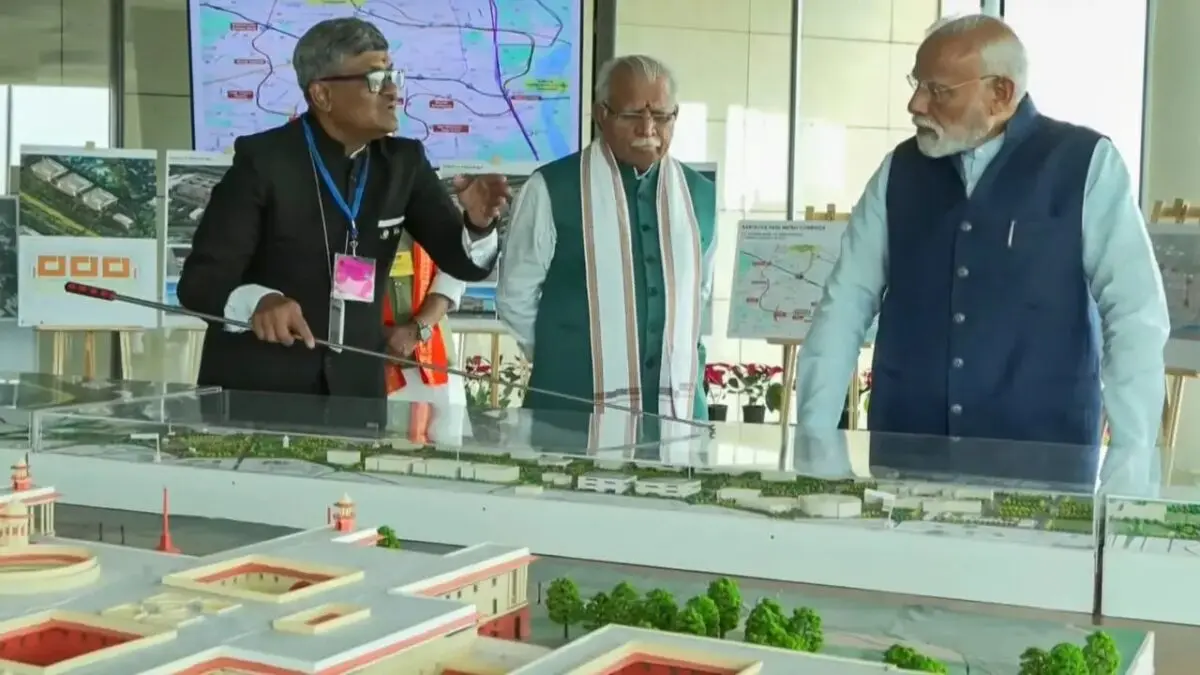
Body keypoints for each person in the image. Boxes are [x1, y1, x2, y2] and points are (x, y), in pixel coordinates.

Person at [794, 15, 1169, 458]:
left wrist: (1132, 457)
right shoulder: (898, 171)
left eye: (938, 90)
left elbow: (1134, 314)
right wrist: (814, 438)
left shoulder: (1086, 164)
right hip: (907, 452)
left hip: (1044, 458)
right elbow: (844, 303)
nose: (915, 103)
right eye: (917, 84)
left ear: (1000, 93)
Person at [176, 18, 511, 416]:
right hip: (258, 394)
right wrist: (260, 301)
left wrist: (478, 224)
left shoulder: (403, 164)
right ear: (322, 94)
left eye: (393, 75)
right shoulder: (263, 163)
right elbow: (200, 284)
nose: (393, 91)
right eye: (375, 79)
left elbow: (463, 264)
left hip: (357, 395)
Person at [496, 55, 717, 442]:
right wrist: (564, 353)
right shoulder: (550, 188)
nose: (648, 128)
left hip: (677, 418)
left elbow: (700, 295)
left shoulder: (700, 196)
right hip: (569, 411)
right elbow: (515, 295)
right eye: (632, 115)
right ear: (602, 114)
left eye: (661, 116)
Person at [381, 234, 468, 445]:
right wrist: (376, 334)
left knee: (444, 457)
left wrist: (417, 329)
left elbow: (455, 271)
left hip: (436, 363)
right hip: (374, 364)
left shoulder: (438, 218)